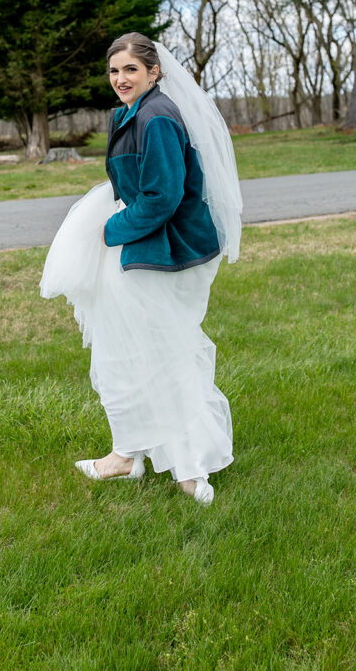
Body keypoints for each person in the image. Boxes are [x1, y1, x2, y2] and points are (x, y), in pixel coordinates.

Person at [41, 32, 243, 506]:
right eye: (114, 71)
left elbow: (164, 197)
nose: (120, 79)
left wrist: (109, 232)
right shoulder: (126, 114)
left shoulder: (158, 118)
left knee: (164, 354)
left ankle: (191, 467)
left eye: (130, 69)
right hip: (142, 242)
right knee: (123, 351)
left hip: (167, 249)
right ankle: (126, 456)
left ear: (154, 72)